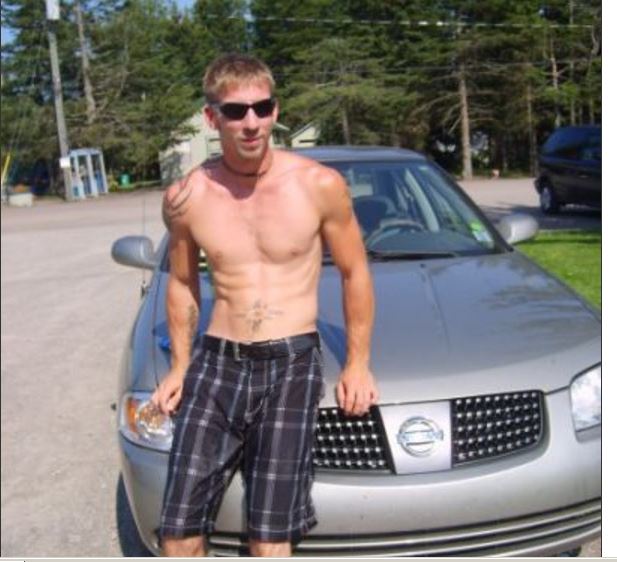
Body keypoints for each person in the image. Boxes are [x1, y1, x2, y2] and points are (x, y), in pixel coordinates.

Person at [150, 53, 379, 558]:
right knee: (177, 532)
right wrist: (180, 366)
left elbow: (355, 272)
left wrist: (358, 362)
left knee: (270, 539)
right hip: (218, 361)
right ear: (212, 118)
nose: (251, 122)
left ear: (275, 110)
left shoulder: (319, 185)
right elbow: (182, 282)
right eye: (235, 111)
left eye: (262, 107)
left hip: (291, 362)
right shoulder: (187, 197)